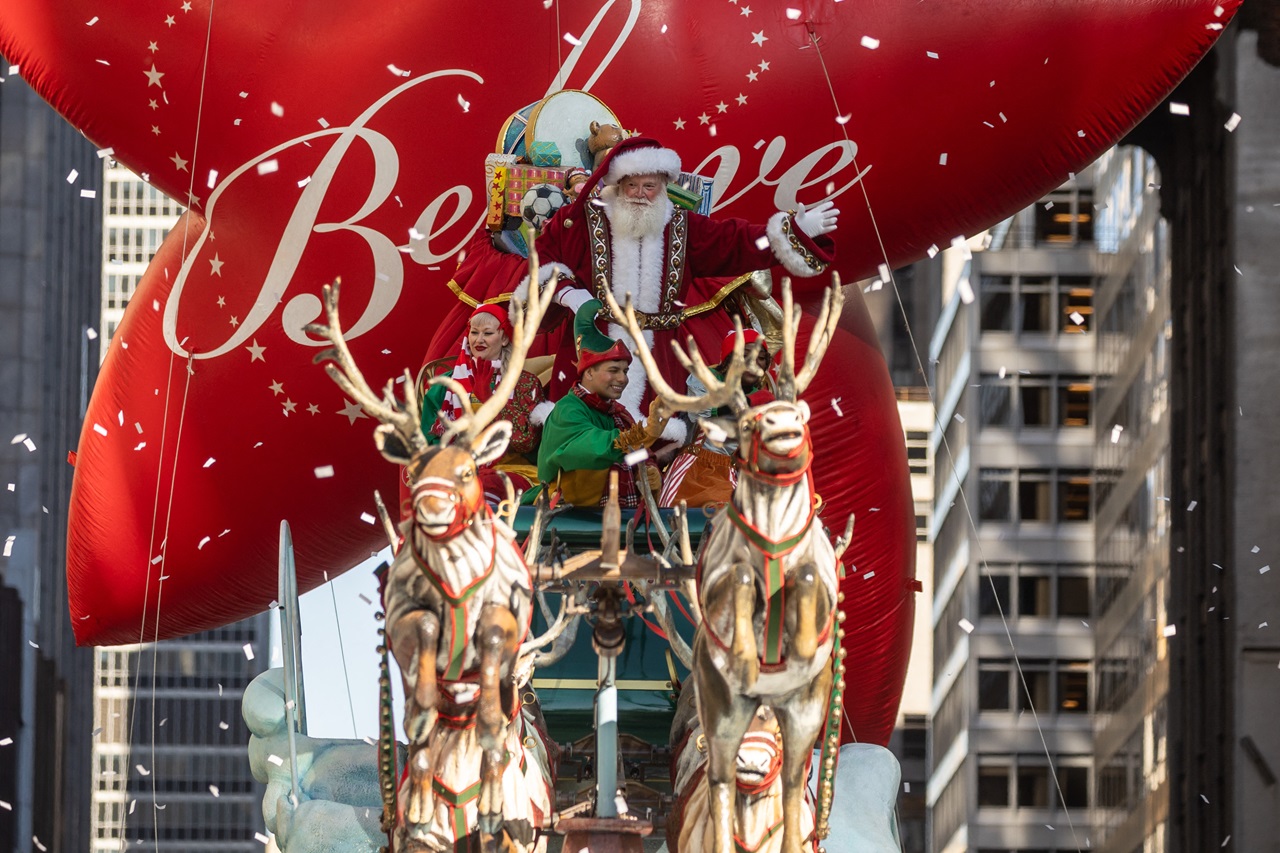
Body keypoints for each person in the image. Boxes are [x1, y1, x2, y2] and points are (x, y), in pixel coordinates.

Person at [516, 135, 839, 444]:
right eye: (632, 186)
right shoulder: (581, 222)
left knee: (658, 441)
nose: (641, 194)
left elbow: (739, 242)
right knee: (584, 441)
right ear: (618, 185)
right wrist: (569, 294)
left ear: (664, 186)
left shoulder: (686, 227)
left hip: (661, 360)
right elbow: (543, 258)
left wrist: (794, 230)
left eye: (650, 186)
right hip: (592, 352)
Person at [537, 301, 670, 508]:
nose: (623, 379)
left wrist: (648, 471)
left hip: (620, 517)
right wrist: (639, 434)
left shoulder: (618, 414)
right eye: (614, 370)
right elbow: (589, 448)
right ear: (589, 372)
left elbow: (635, 455)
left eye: (625, 371)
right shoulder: (568, 409)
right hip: (570, 519)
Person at [417, 303, 553, 505]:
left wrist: (491, 403)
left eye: (488, 333)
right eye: (474, 332)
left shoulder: (525, 384)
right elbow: (429, 444)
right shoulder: (444, 387)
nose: (479, 340)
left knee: (483, 485)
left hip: (511, 471)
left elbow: (527, 442)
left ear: (505, 338)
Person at [659, 330, 775, 508]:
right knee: (672, 527)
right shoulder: (705, 379)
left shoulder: (760, 398)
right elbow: (700, 412)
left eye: (760, 357)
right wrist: (750, 402)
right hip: (693, 470)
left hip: (728, 474)